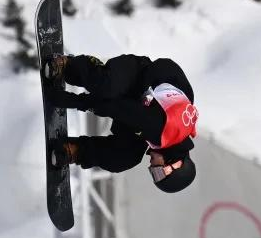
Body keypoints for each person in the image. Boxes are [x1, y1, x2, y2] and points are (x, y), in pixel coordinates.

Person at [44, 53, 199, 193]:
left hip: (140, 105)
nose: (151, 168)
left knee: (126, 158)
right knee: (106, 86)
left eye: (153, 175)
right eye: (158, 172)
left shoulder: (169, 137)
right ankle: (69, 66)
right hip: (138, 76)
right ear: (174, 162)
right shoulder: (160, 128)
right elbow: (115, 108)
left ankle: (77, 151)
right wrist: (72, 101)